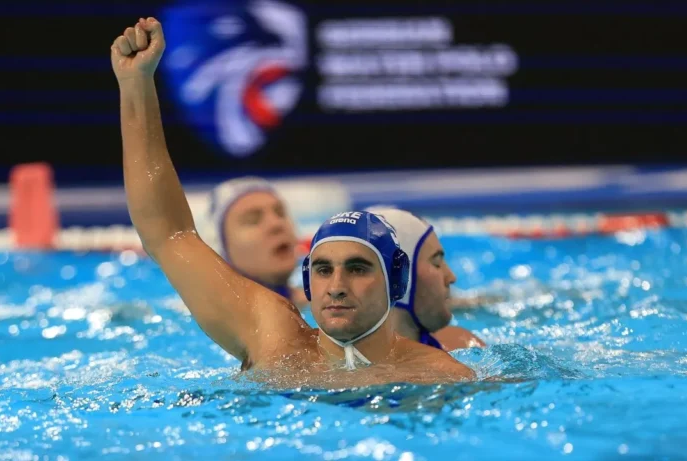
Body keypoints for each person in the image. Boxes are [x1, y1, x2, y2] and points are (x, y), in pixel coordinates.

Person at [111, 17, 474, 387]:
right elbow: (168, 234)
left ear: (396, 281)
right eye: (322, 270)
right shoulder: (276, 341)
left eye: (357, 268)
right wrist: (136, 83)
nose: (336, 286)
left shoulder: (441, 374)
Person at [366, 206, 487, 351]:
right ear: (399, 277)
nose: (451, 277)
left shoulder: (464, 345)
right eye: (436, 263)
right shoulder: (461, 352)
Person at [201, 176, 305, 303]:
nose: (277, 224)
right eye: (253, 220)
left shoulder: (318, 303)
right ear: (221, 248)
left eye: (280, 213)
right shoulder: (203, 314)